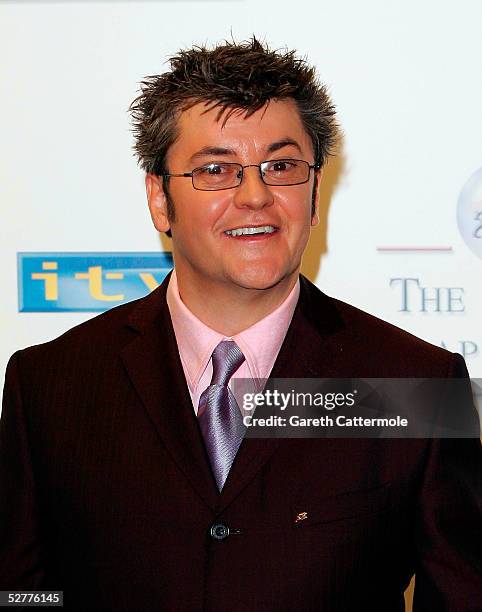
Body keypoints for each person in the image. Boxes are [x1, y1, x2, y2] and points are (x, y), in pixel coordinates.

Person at [1, 37, 480, 612]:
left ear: (314, 192)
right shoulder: (50, 382)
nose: (255, 196)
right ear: (159, 198)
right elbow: (22, 592)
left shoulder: (419, 383)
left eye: (280, 166)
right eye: (217, 170)